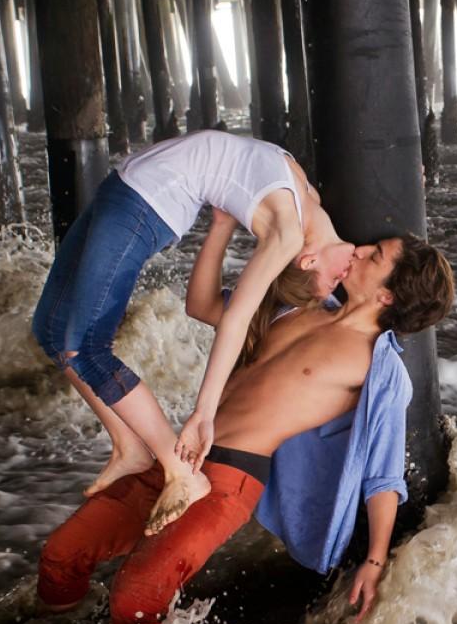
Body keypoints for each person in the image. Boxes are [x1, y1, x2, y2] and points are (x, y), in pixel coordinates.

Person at [36, 231, 455, 624]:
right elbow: (202, 305)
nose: (359, 250)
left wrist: (375, 562)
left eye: (375, 255)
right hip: (174, 456)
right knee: (62, 554)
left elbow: (383, 476)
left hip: (227, 480)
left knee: (136, 594)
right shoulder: (300, 305)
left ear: (387, 295)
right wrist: (221, 225)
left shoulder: (379, 369)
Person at [30, 132, 356, 534]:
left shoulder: (288, 233)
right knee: (50, 328)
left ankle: (179, 469)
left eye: (332, 282)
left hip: (146, 202)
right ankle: (128, 444)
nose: (344, 279)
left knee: (88, 347)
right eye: (337, 281)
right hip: (128, 186)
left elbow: (236, 319)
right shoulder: (308, 199)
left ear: (306, 259)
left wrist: (204, 412)